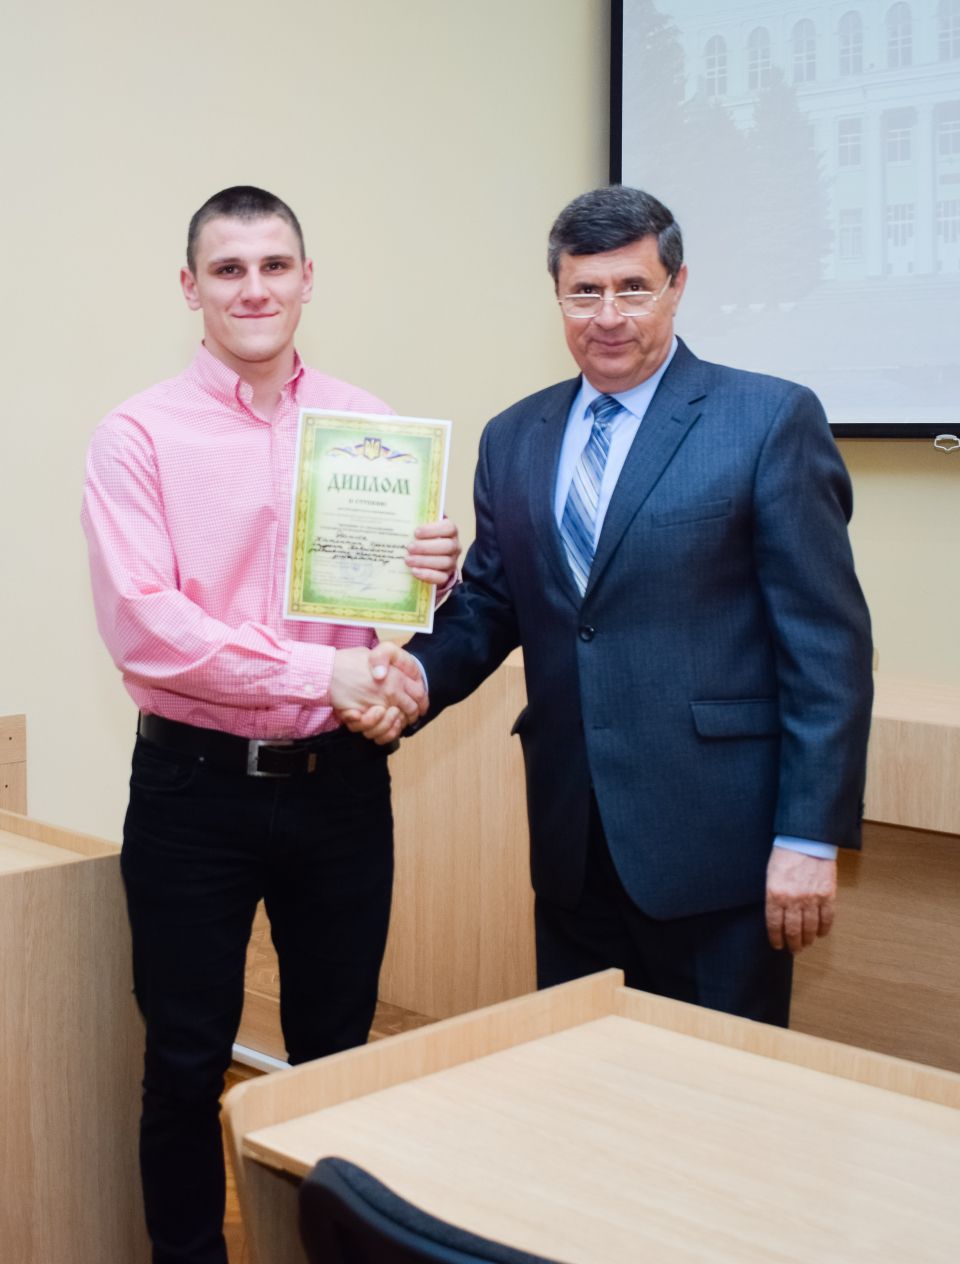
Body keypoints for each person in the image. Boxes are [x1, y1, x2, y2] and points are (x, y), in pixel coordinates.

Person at [346, 184, 873, 1028]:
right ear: (558, 295)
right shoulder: (514, 436)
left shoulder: (768, 419)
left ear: (677, 286)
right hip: (571, 842)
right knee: (580, 1077)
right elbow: (492, 602)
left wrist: (808, 837)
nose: (609, 315)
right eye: (584, 292)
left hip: (718, 851)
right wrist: (413, 676)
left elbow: (827, 647)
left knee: (717, 1088)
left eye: (634, 288)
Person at [81, 185, 459, 1264]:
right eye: (229, 269)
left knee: (339, 1058)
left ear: (306, 279)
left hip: (341, 788)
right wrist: (321, 671)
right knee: (185, 1063)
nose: (255, 289)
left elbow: (379, 623)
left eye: (275, 265)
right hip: (192, 794)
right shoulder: (137, 435)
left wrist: (431, 575)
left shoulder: (367, 426)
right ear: (190, 287)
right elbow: (148, 629)